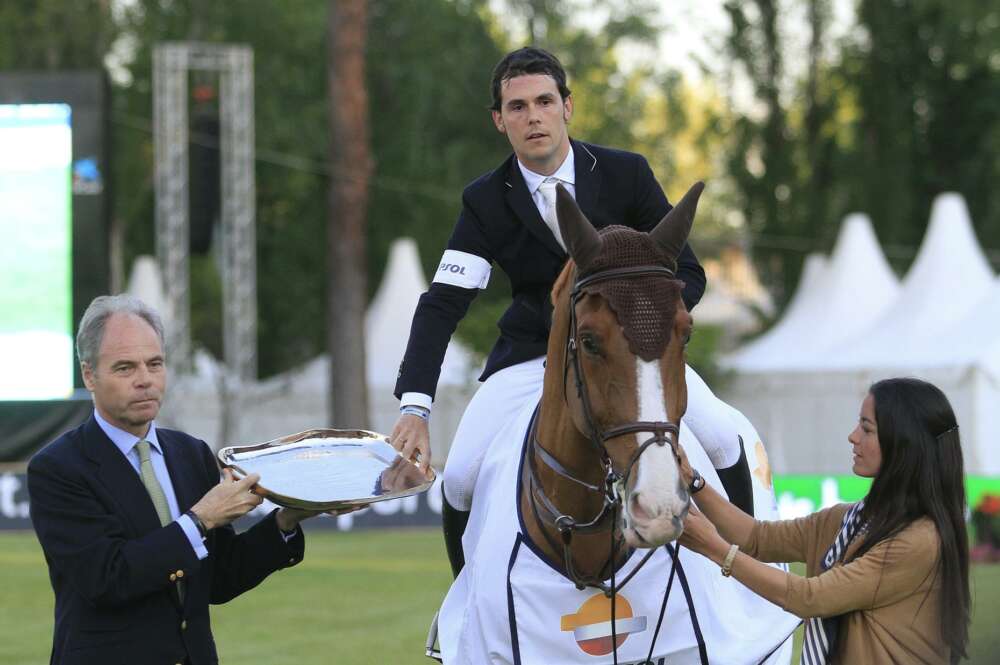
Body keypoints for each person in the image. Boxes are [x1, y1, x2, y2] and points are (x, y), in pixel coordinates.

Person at [388, 46, 749, 575]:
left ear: (567, 106)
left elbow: (688, 274)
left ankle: (747, 571)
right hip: (531, 357)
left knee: (721, 436)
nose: (532, 116)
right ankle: (462, 606)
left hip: (630, 353)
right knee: (462, 474)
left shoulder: (627, 174)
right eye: (517, 107)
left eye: (544, 101)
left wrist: (640, 332)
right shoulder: (484, 200)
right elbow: (442, 303)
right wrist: (415, 408)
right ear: (499, 120)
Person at [27, 295, 324, 665]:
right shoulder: (58, 468)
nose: (145, 380)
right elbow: (107, 579)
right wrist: (200, 520)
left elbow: (219, 578)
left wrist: (286, 519)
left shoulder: (192, 453)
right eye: (125, 368)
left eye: (155, 364)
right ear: (89, 375)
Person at [677, 377, 971, 664]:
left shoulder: (919, 540)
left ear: (903, 443)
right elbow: (756, 538)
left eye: (866, 429)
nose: (853, 436)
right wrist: (693, 481)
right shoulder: (846, 519)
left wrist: (713, 548)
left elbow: (810, 598)